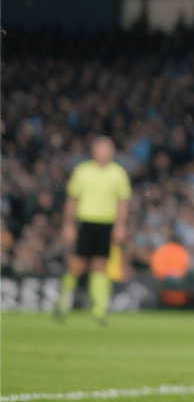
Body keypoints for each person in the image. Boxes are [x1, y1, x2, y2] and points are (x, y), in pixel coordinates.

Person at [57, 135, 131, 324]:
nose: (106, 152)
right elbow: (72, 200)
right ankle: (63, 303)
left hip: (106, 224)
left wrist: (120, 226)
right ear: (94, 151)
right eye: (103, 149)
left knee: (101, 265)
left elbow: (123, 202)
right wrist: (68, 225)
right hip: (86, 222)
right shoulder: (82, 171)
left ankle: (99, 310)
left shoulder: (118, 173)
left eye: (109, 149)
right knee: (77, 265)